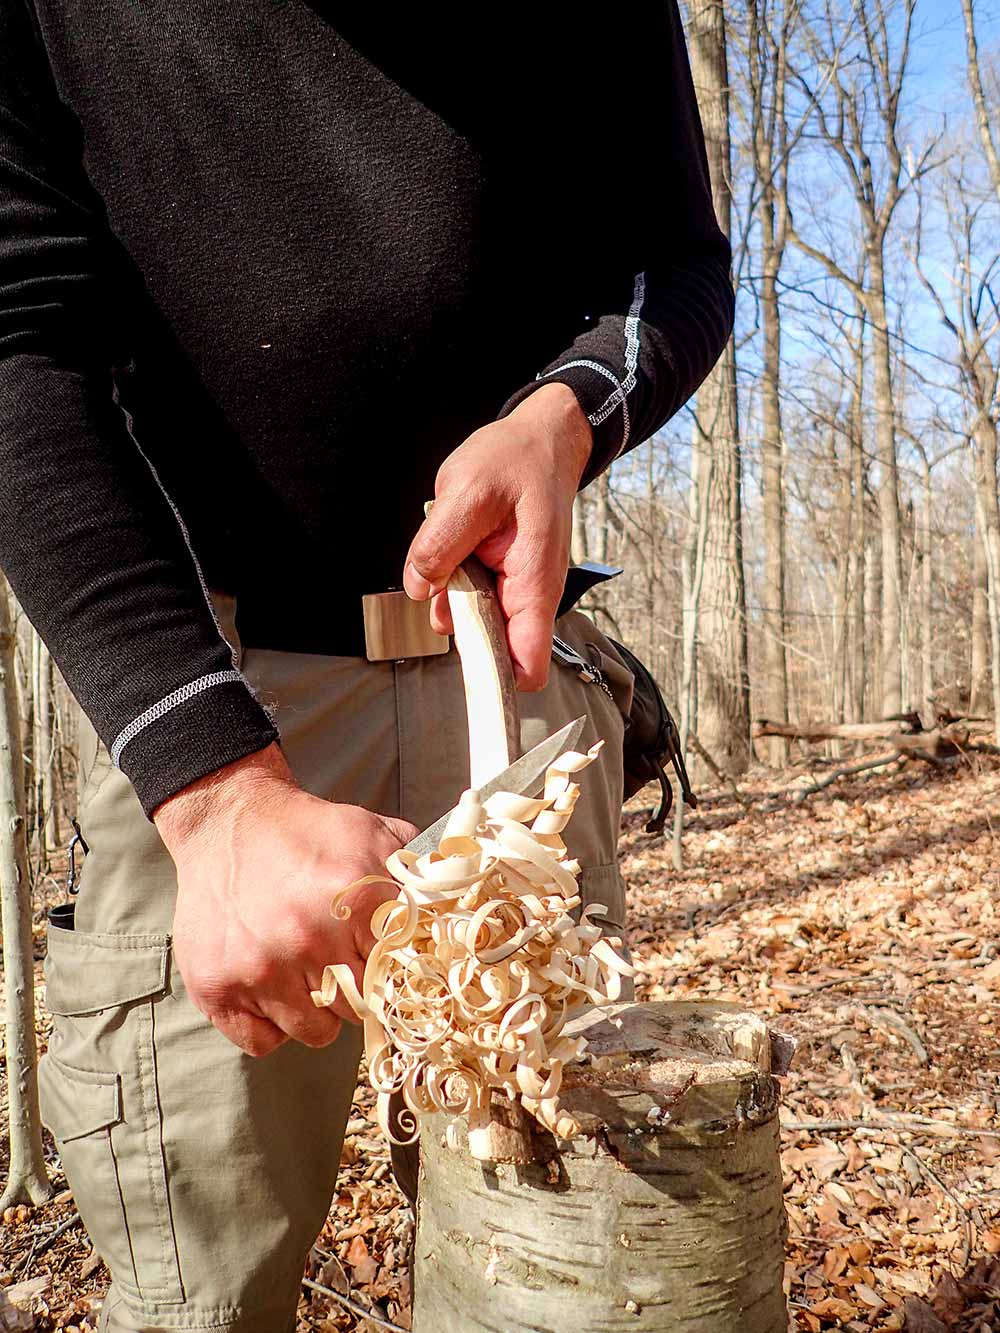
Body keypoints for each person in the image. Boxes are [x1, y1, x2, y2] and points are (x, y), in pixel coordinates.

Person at [0, 3, 734, 1329]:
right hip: (216, 704)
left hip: (510, 699)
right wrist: (211, 790)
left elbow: (672, 263)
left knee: (553, 1267)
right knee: (197, 1295)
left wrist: (567, 414)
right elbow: (17, 339)